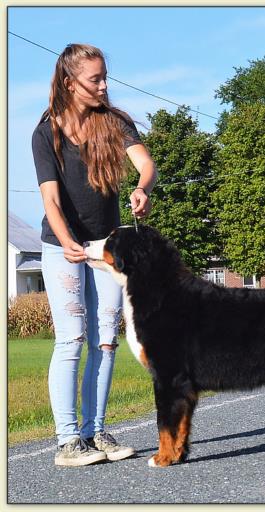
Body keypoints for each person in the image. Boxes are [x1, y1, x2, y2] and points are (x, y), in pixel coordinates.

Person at [32, 43, 157, 467]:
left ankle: (94, 430)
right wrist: (67, 240)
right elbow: (50, 199)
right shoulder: (45, 132)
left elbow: (146, 164)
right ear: (70, 83)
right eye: (95, 79)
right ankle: (68, 442)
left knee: (106, 340)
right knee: (71, 338)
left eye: (105, 77)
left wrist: (142, 187)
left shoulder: (115, 123)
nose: (104, 86)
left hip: (105, 246)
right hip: (62, 245)